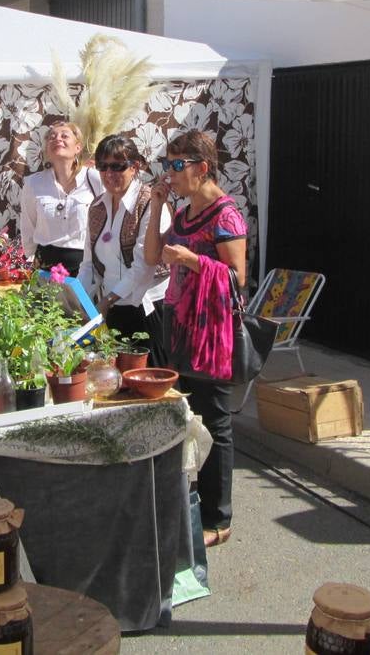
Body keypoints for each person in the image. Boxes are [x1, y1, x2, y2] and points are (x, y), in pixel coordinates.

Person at [145, 129, 248, 549]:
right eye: (166, 166)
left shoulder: (226, 216)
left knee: (215, 420)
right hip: (180, 323)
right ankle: (191, 506)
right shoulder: (185, 214)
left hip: (212, 331)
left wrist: (192, 259)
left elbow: (238, 280)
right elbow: (152, 256)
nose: (169, 174)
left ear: (201, 168)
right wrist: (156, 209)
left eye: (176, 166)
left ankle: (218, 518)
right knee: (187, 416)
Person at [78, 134, 170, 365]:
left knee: (148, 379)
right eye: (103, 167)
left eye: (118, 167)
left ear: (134, 167)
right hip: (111, 306)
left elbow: (144, 265)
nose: (110, 174)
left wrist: (107, 301)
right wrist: (79, 299)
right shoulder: (97, 206)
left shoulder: (151, 202)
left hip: (146, 306)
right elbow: (89, 263)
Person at [18, 120, 100, 277]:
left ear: (78, 147)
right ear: (47, 150)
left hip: (85, 268)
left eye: (65, 136)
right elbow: (28, 228)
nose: (57, 139)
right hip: (45, 267)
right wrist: (31, 264)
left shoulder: (94, 179)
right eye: (52, 137)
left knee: (80, 302)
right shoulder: (33, 183)